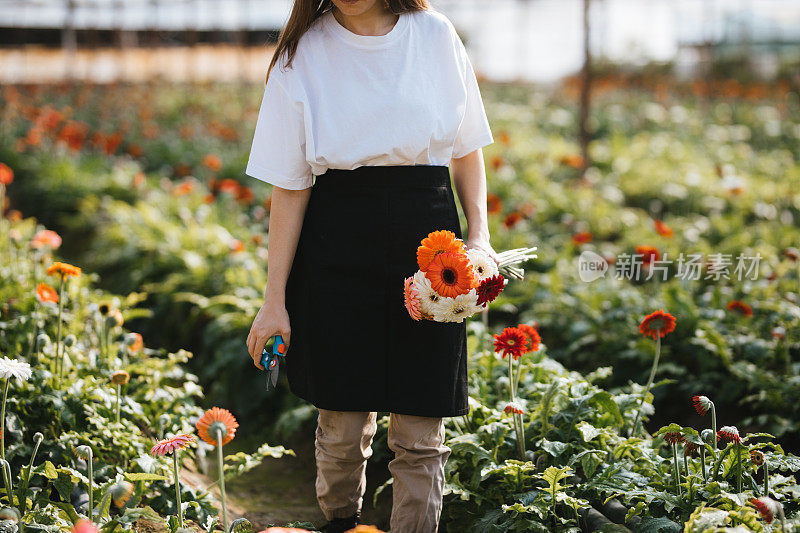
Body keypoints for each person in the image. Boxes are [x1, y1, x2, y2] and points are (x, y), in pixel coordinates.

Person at [244, 1, 498, 531]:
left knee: (421, 427)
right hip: (336, 242)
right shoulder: (302, 54)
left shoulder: (433, 36)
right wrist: (274, 302)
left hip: (428, 242)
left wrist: (479, 238)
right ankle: (343, 524)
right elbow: (289, 187)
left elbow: (467, 148)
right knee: (340, 419)